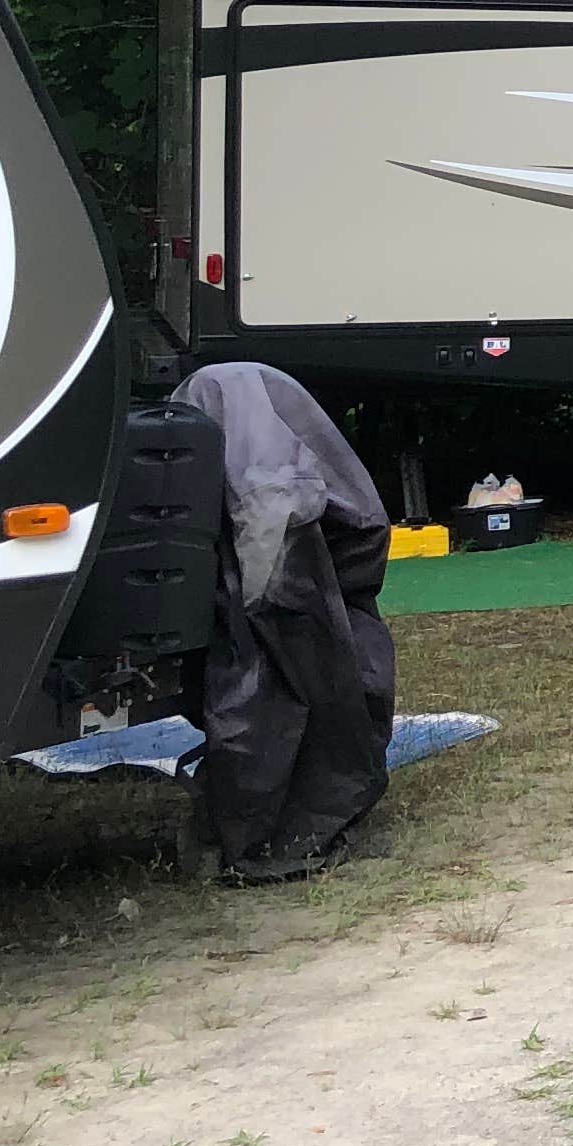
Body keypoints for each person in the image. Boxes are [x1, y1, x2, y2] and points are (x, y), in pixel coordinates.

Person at [178, 361, 397, 882]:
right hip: (321, 547)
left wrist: (257, 609)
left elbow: (270, 512)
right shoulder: (242, 397)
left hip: (299, 548)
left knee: (279, 686)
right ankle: (294, 814)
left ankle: (278, 829)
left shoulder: (223, 406)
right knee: (325, 676)